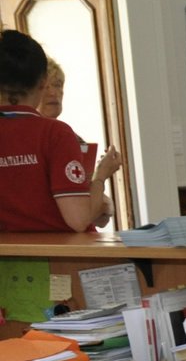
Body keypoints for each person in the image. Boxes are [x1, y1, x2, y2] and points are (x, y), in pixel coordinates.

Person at [0, 29, 120, 232]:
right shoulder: (55, 134)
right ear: (42, 81)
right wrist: (100, 177)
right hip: (59, 258)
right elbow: (79, 219)